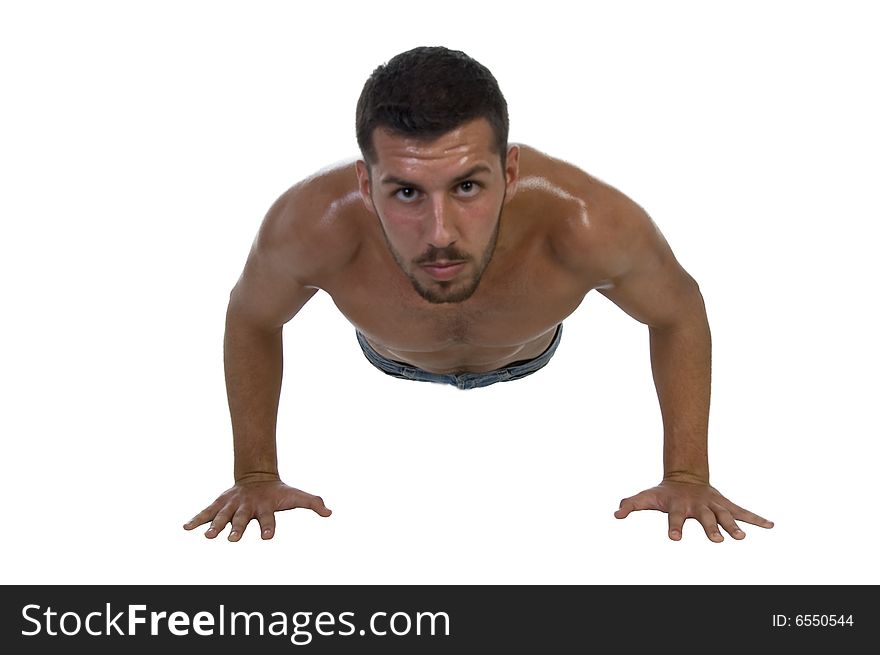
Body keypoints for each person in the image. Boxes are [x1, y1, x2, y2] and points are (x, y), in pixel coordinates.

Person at [184, 46, 773, 543]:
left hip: (530, 358)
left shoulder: (590, 222)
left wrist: (687, 474)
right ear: (365, 183)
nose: (440, 233)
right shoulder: (309, 224)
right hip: (388, 360)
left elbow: (679, 310)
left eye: (467, 185)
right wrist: (256, 473)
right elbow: (252, 317)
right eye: (407, 193)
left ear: (509, 172)